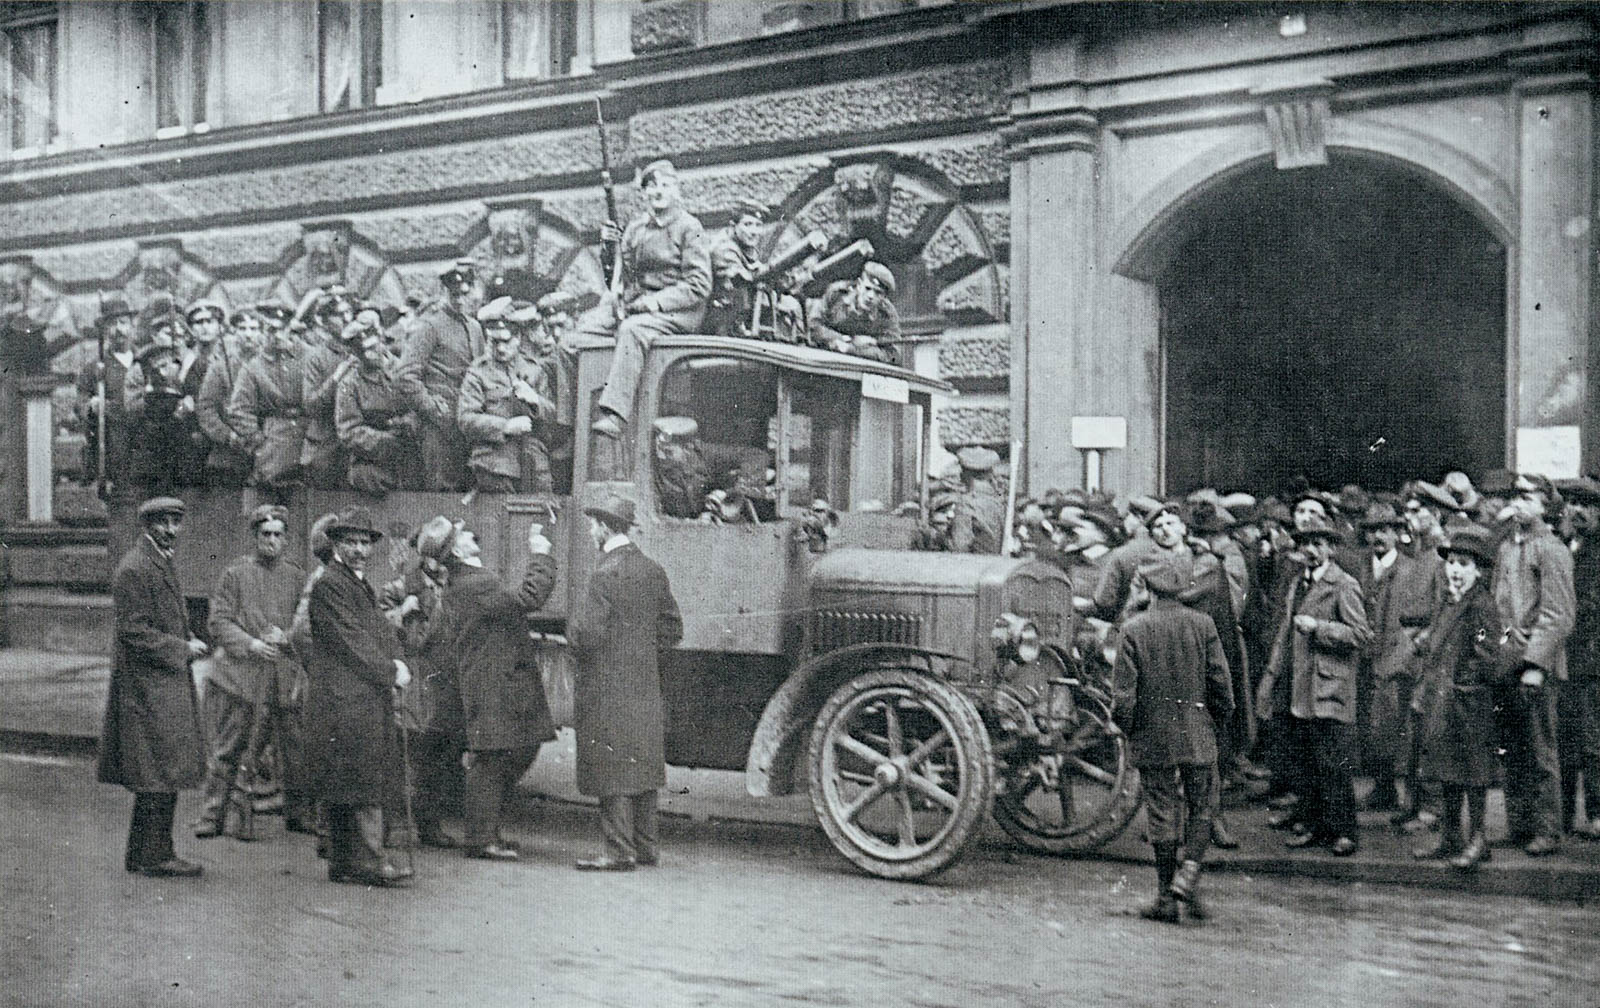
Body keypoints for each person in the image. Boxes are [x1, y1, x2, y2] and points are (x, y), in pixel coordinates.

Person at [417, 517, 557, 860]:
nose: (471, 533)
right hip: (492, 683)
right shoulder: (474, 583)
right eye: (462, 533)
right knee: (492, 758)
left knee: (502, 754)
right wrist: (540, 555)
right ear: (458, 549)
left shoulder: (467, 580)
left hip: (492, 680)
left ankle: (487, 833)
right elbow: (529, 597)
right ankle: (481, 839)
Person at [1112, 552, 1234, 924]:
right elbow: (1221, 686)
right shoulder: (1204, 624)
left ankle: (1167, 896)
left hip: (1154, 736)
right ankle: (1190, 873)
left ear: (1146, 586)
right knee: (1203, 806)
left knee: (1161, 813)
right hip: (1197, 732)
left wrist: (1132, 730)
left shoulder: (1132, 629)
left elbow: (1122, 699)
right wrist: (1215, 721)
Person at [566, 494, 683, 870]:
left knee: (611, 764)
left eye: (591, 526)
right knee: (643, 763)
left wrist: (576, 645)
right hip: (644, 684)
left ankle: (618, 851)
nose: (589, 531)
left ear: (603, 527)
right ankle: (646, 847)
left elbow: (588, 636)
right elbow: (671, 628)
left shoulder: (604, 573)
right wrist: (643, 659)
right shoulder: (652, 569)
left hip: (606, 686)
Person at [96, 497, 210, 877]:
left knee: (160, 772)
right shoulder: (135, 568)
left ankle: (147, 853)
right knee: (159, 772)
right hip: (148, 689)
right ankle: (154, 855)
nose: (171, 530)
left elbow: (160, 618)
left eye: (175, 522)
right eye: (163, 523)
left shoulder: (156, 561)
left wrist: (186, 635)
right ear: (147, 525)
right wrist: (182, 648)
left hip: (160, 684)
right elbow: (135, 632)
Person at [304, 506, 413, 887]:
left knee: (346, 779)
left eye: (365, 542)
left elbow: (378, 632)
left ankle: (343, 860)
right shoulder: (332, 584)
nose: (359, 550)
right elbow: (352, 642)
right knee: (362, 779)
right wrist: (390, 671)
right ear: (335, 544)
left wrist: (397, 657)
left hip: (352, 697)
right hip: (344, 699)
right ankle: (368, 859)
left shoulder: (354, 582)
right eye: (351, 542)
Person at [1262, 514, 1372, 856]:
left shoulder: (1343, 584)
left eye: (1319, 543)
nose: (1311, 550)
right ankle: (1313, 825)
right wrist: (1272, 674)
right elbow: (1284, 633)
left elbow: (1360, 636)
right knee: (1307, 761)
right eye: (1306, 543)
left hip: (1330, 688)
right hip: (1300, 686)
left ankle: (1344, 832)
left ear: (1332, 549)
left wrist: (1320, 628)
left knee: (1334, 764)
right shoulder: (1298, 584)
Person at [197, 505, 308, 839]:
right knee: (232, 745)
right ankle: (213, 813)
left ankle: (299, 814)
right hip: (244, 677)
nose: (271, 541)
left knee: (295, 749)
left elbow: (303, 624)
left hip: (283, 677)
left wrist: (286, 638)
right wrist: (251, 644)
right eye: (265, 534)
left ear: (286, 539)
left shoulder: (296, 576)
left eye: (277, 535)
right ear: (255, 537)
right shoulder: (236, 574)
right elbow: (219, 621)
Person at [579, 159, 712, 439]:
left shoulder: (690, 228)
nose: (658, 191)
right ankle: (568, 421)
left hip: (678, 313)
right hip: (639, 306)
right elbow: (619, 274)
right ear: (645, 194)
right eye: (651, 187)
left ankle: (616, 414)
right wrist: (608, 246)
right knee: (583, 328)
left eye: (665, 185)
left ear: (676, 190)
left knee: (631, 330)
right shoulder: (637, 228)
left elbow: (699, 285)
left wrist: (655, 303)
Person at [1491, 473, 1576, 856]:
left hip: (1535, 665)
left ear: (1545, 503)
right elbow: (1498, 606)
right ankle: (1519, 825)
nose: (1518, 503)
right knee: (1513, 748)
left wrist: (1535, 664)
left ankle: (1546, 830)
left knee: (1541, 749)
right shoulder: (1507, 547)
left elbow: (1558, 615)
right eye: (1515, 496)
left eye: (1526, 496)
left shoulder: (1552, 548)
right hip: (1506, 659)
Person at [1410, 524, 1501, 870]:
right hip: (1444, 701)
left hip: (1469, 704)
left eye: (1464, 564)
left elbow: (1490, 653)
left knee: (1473, 774)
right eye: (1452, 563)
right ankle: (1451, 836)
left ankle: (1478, 839)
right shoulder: (1449, 601)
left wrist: (1466, 683)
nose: (1456, 570)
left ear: (1478, 570)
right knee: (1448, 770)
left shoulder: (1482, 605)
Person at [394, 260, 485, 490]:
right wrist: (432, 407)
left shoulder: (475, 328)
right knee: (441, 490)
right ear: (445, 292)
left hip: (465, 423)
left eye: (465, 294)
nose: (460, 301)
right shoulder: (430, 326)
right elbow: (405, 375)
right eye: (455, 295)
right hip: (437, 429)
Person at [458, 298, 556, 493]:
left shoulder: (534, 370)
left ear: (518, 337)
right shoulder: (478, 372)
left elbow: (553, 418)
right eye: (495, 342)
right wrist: (506, 426)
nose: (500, 348)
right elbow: (465, 419)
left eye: (506, 341)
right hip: (494, 462)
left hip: (533, 463)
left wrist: (536, 400)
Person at [335, 317, 422, 494]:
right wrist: (384, 439)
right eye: (368, 350)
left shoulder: (399, 370)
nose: (376, 353)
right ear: (357, 354)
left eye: (376, 346)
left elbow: (418, 405)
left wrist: (407, 422)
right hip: (372, 459)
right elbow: (348, 432)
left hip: (407, 450)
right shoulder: (350, 384)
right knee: (368, 478)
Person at [228, 304, 306, 496]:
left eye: (283, 329)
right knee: (272, 494)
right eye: (271, 330)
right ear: (262, 333)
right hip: (275, 443)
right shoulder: (253, 368)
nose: (278, 336)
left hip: (308, 438)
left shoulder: (307, 358)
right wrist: (259, 442)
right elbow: (239, 411)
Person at [1559, 479, 1600, 838]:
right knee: (1568, 740)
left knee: (1591, 741)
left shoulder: (1595, 552)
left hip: (1591, 661)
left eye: (1586, 506)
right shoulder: (1568, 547)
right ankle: (1566, 814)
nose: (1577, 511)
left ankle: (1597, 814)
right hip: (1569, 660)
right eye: (1572, 504)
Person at [193, 307, 260, 487]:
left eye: (254, 329)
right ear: (234, 332)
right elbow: (205, 408)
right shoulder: (220, 367)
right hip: (229, 454)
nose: (248, 334)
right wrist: (227, 435)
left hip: (265, 449)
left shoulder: (267, 364)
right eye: (243, 328)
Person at [77, 297, 137, 496]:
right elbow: (81, 404)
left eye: (123, 323)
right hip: (114, 451)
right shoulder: (94, 369)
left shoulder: (145, 361)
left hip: (144, 449)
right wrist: (91, 405)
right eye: (112, 324)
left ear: (132, 325)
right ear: (104, 330)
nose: (119, 329)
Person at [299, 290, 359, 488]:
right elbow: (311, 405)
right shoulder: (316, 357)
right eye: (338, 315)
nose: (346, 319)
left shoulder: (361, 351)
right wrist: (336, 377)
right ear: (324, 322)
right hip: (325, 445)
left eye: (349, 312)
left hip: (355, 444)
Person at [126, 341, 192, 496]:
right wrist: (180, 413)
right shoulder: (154, 397)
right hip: (153, 470)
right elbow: (158, 430)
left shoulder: (176, 392)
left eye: (175, 365)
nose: (174, 369)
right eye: (165, 366)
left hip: (177, 469)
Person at [806, 261, 900, 364]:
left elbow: (893, 355)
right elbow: (813, 325)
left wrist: (851, 349)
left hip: (858, 367)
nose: (870, 296)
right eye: (867, 288)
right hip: (823, 358)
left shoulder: (887, 314)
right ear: (859, 285)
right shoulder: (836, 294)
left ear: (884, 297)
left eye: (878, 293)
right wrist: (845, 339)